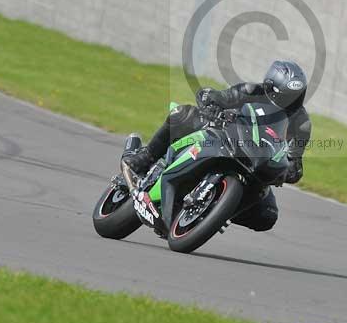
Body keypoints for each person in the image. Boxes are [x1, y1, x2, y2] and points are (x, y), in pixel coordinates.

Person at [122, 60, 312, 232]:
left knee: (267, 215)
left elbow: (296, 161)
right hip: (225, 137)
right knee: (182, 114)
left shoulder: (301, 123)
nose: (291, 102)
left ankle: (217, 210)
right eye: (286, 96)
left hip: (257, 163)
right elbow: (215, 96)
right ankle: (145, 157)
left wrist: (289, 171)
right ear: (271, 88)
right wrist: (212, 105)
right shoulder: (251, 91)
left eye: (296, 96)